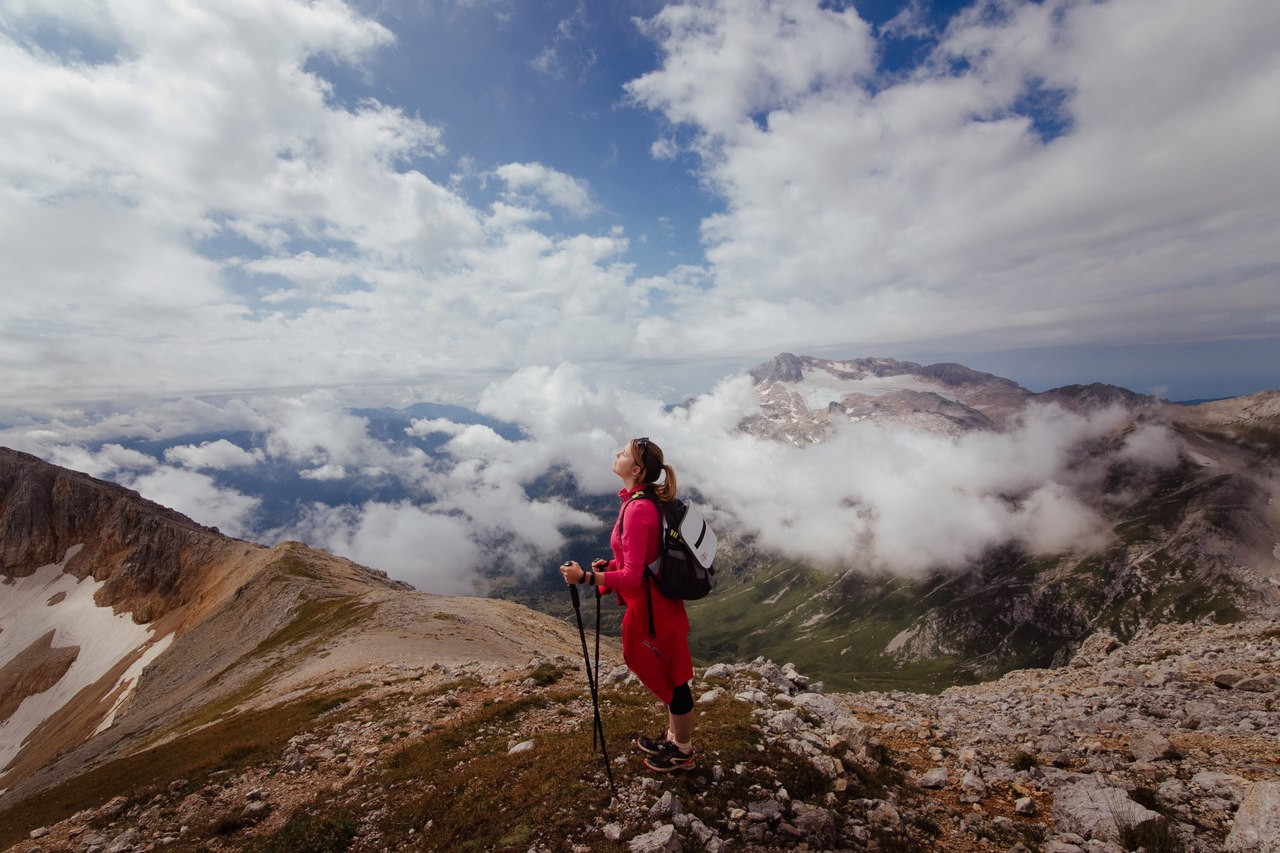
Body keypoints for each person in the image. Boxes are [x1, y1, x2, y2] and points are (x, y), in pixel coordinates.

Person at [560, 437, 696, 773]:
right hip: (657, 605)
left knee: (674, 680)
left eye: (624, 453)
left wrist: (587, 579)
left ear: (636, 469)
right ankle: (675, 740)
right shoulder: (639, 500)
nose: (617, 453)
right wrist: (608, 570)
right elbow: (641, 563)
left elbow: (634, 577)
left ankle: (683, 752)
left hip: (654, 612)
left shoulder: (637, 509)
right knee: (670, 674)